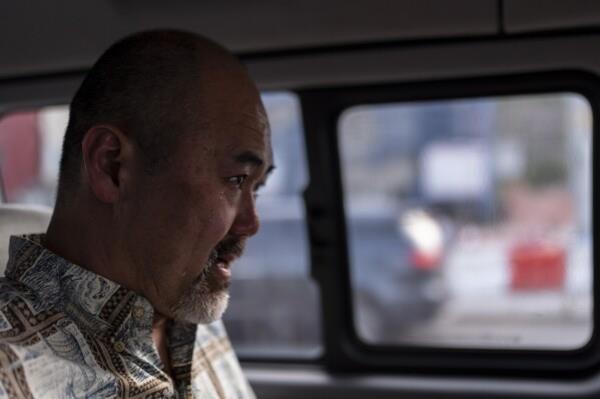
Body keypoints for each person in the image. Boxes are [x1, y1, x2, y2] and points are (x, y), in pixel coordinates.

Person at [0, 29, 273, 398]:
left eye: (257, 187)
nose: (251, 224)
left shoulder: (192, 312)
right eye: (235, 179)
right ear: (112, 165)